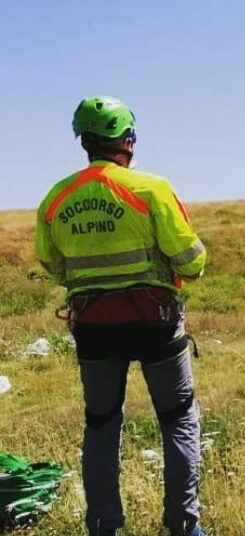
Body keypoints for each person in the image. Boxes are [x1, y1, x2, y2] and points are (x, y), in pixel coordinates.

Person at [35, 96, 208, 536]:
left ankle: (103, 525)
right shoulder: (152, 189)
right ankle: (184, 526)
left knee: (101, 422)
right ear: (127, 140)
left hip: (94, 326)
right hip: (156, 323)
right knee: (179, 419)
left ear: (84, 141)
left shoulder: (56, 197)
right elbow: (190, 260)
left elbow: (52, 262)